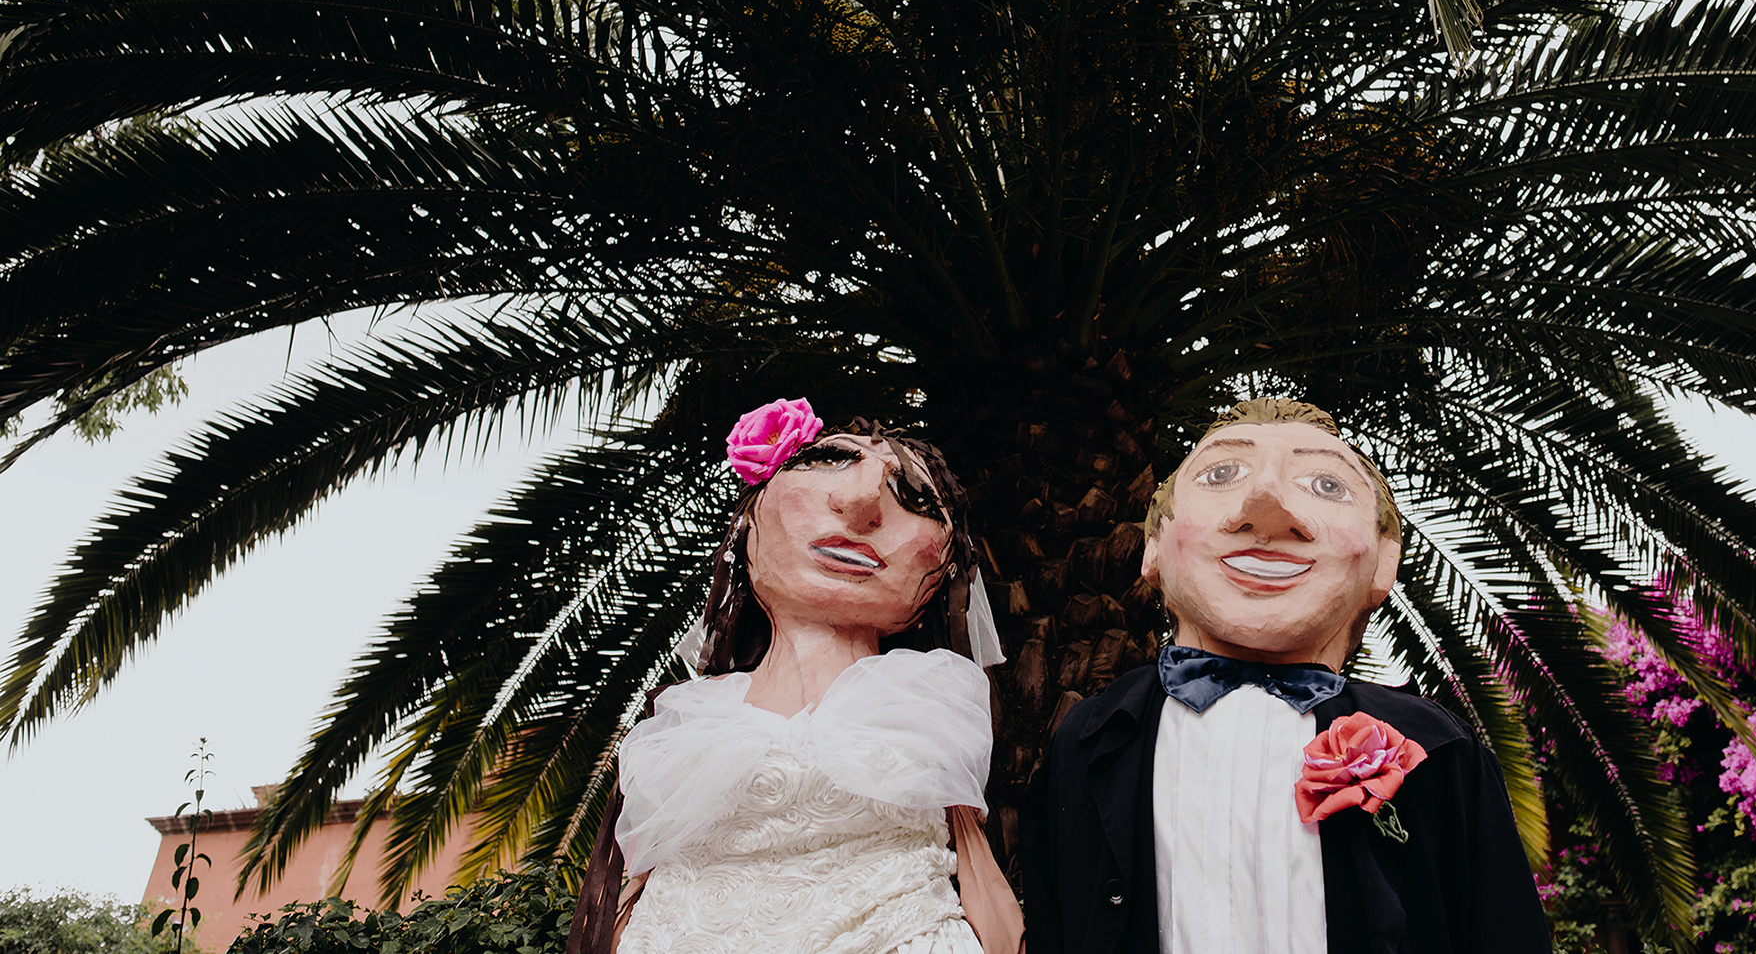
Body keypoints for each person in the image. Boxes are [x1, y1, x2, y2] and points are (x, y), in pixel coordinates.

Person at [1020, 398, 1551, 954]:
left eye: (1326, 486)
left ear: (1384, 560)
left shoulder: (1437, 748)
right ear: (1154, 544)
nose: (1266, 504)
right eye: (1222, 475)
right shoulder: (1088, 739)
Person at [567, 398, 1024, 954]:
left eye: (916, 499)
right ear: (747, 523)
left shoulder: (929, 702)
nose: (861, 504)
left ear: (949, 569)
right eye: (828, 461)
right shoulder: (689, 716)